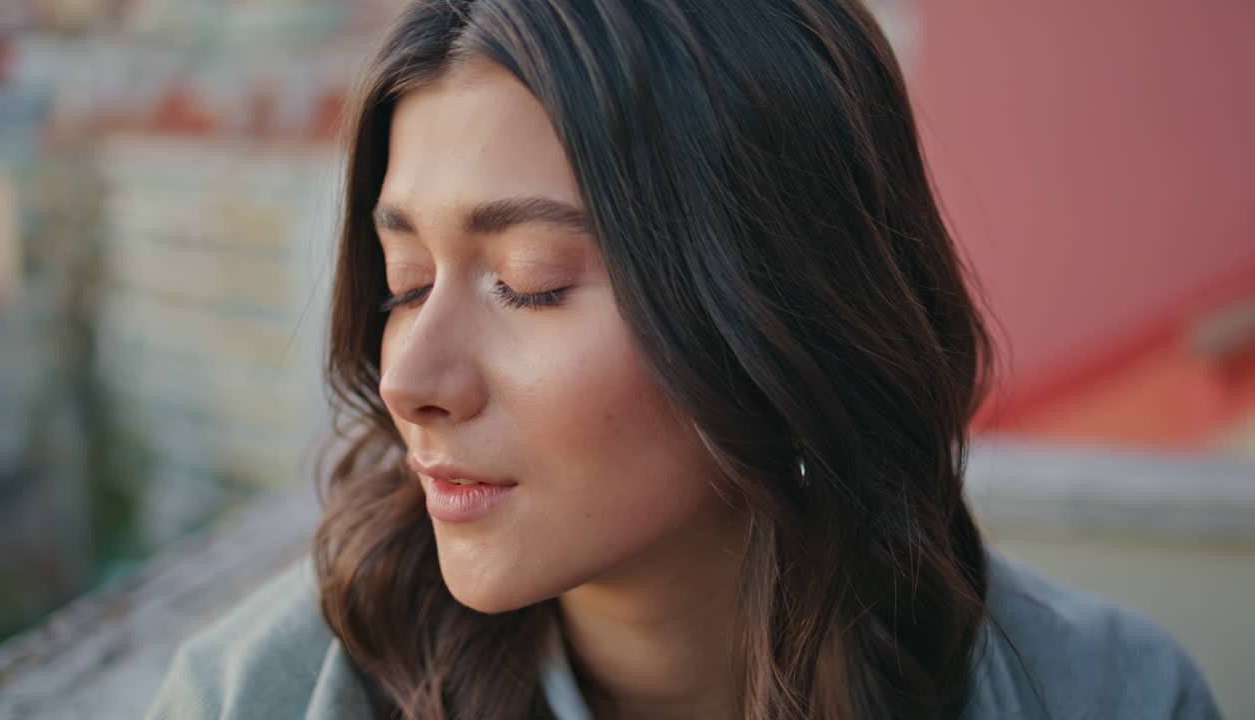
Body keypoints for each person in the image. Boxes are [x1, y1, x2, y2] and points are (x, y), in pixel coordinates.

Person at [146, 0, 1221, 718]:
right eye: (405, 283)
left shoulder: (1114, 697)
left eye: (529, 281)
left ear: (783, 298)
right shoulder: (251, 698)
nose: (409, 381)